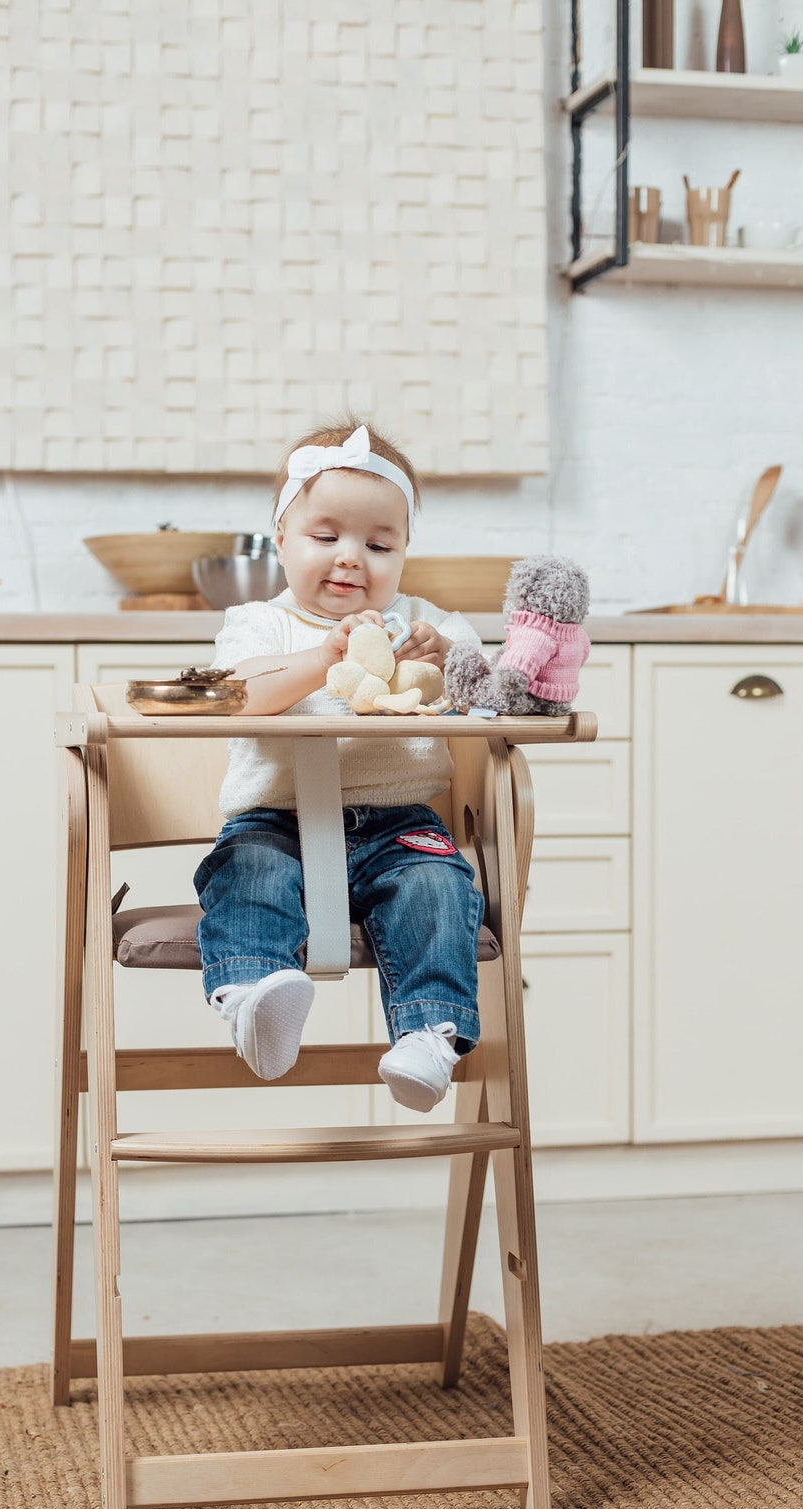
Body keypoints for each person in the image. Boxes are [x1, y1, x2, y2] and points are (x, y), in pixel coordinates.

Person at [193, 420, 486, 1113]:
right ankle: (255, 994)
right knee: (248, 874)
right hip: (277, 821)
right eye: (326, 538)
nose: (352, 558)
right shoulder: (258, 623)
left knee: (438, 884)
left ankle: (428, 1035)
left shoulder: (426, 623)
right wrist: (323, 658)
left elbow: (486, 687)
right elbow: (241, 696)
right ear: (283, 540)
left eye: (379, 544)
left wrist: (448, 657)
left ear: (404, 550)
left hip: (399, 824)